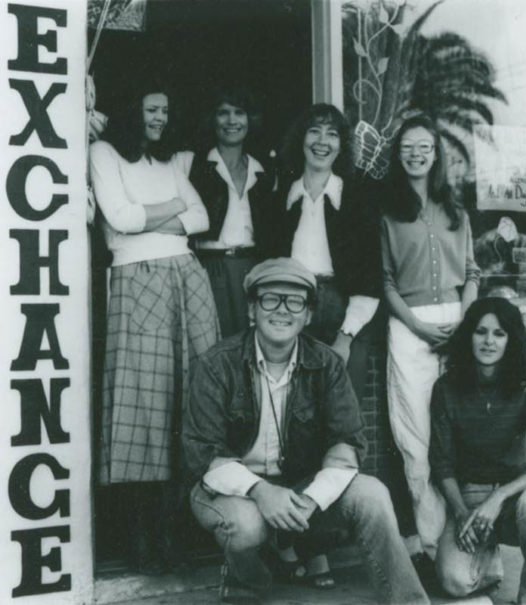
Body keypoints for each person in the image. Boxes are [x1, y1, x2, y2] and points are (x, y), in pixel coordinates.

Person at [183, 257, 428, 605]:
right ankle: (249, 584)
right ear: (252, 309)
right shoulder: (217, 364)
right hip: (232, 491)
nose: (282, 311)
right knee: (245, 526)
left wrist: (312, 500)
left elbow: (348, 443)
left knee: (371, 494)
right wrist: (261, 491)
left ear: (308, 315)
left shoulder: (327, 364)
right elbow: (203, 452)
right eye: (270, 299)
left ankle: (409, 601)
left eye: (294, 301)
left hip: (299, 489)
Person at [89, 77, 219, 573]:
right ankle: (139, 538)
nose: (159, 118)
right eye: (150, 109)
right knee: (141, 407)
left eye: (164, 110)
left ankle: (173, 533)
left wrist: (151, 218)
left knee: (189, 401)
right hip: (137, 280)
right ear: (131, 110)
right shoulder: (104, 153)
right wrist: (171, 211)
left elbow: (203, 217)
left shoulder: (169, 162)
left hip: (187, 277)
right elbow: (119, 219)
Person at [380, 114, 480, 564]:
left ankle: (467, 542)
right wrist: (418, 327)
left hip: (458, 326)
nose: (416, 153)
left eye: (425, 146)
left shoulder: (456, 210)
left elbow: (472, 273)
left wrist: (464, 324)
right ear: (398, 153)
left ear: (436, 154)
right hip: (409, 326)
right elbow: (385, 282)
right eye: (408, 146)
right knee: (417, 438)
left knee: (457, 436)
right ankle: (431, 542)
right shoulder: (387, 209)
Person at [429, 297, 526, 604]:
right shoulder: (446, 388)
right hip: (469, 498)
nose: (488, 341)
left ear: (511, 340)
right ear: (468, 335)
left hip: (514, 497)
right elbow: (442, 462)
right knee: (454, 582)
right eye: (480, 331)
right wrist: (460, 513)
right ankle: (489, 566)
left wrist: (498, 498)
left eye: (499, 334)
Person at [266, 103, 381, 404]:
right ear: (300, 139)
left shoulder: (356, 197)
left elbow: (370, 276)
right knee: (294, 406)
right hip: (293, 306)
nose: (322, 141)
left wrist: (345, 337)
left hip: (344, 312)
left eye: (332, 134)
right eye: (314, 131)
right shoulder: (282, 198)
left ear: (341, 145)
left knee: (342, 409)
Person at [175, 83, 275, 337]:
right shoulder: (191, 163)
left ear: (250, 119)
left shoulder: (263, 170)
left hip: (253, 268)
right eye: (223, 112)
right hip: (209, 267)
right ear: (212, 118)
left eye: (239, 112)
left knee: (252, 344)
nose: (232, 120)